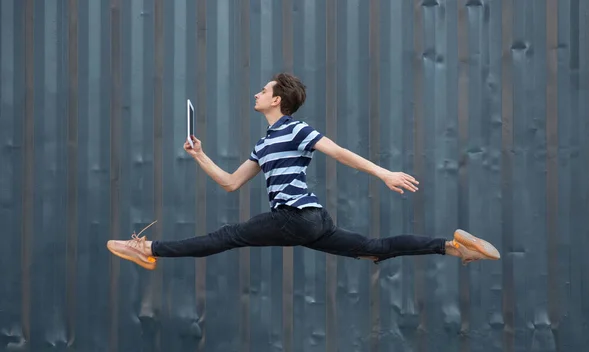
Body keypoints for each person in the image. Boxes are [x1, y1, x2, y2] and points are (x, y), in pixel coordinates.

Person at [107, 73, 500, 271]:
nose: (256, 94)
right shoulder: (264, 144)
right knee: (372, 250)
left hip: (295, 218)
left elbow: (339, 152)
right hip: (312, 221)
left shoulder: (295, 128)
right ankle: (453, 246)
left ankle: (147, 249)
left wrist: (384, 174)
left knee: (226, 236)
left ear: (277, 99)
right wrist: (200, 156)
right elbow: (230, 184)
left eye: (263, 91)